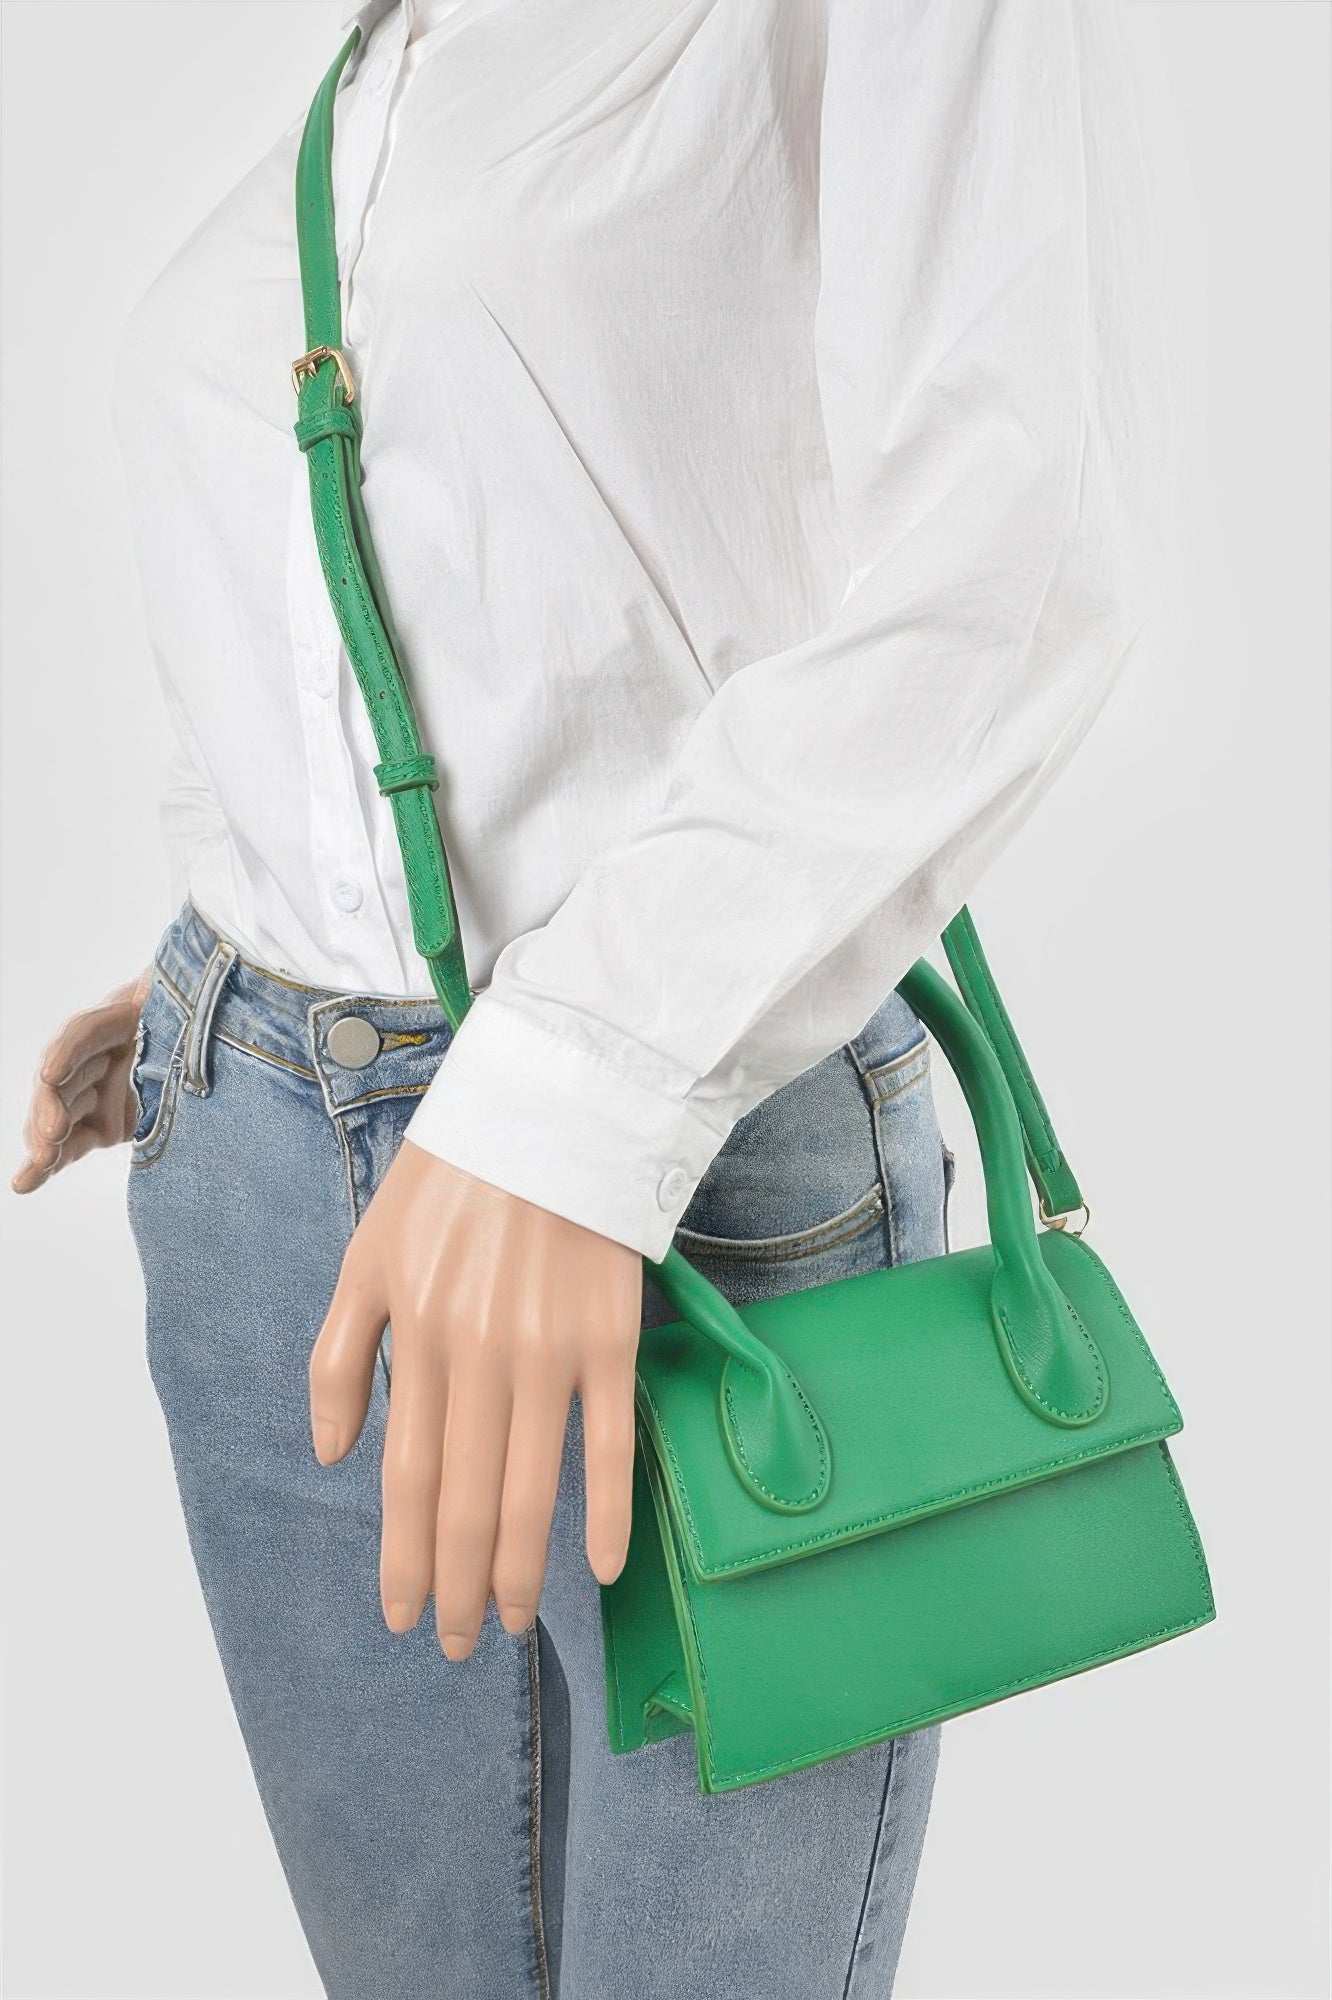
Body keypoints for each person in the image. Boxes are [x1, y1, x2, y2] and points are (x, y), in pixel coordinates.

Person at [12, 0, 1161, 1993]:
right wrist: (275, 926)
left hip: (683, 1168)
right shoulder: (389, 63)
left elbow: (1013, 549)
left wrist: (568, 1080)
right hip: (252, 1139)